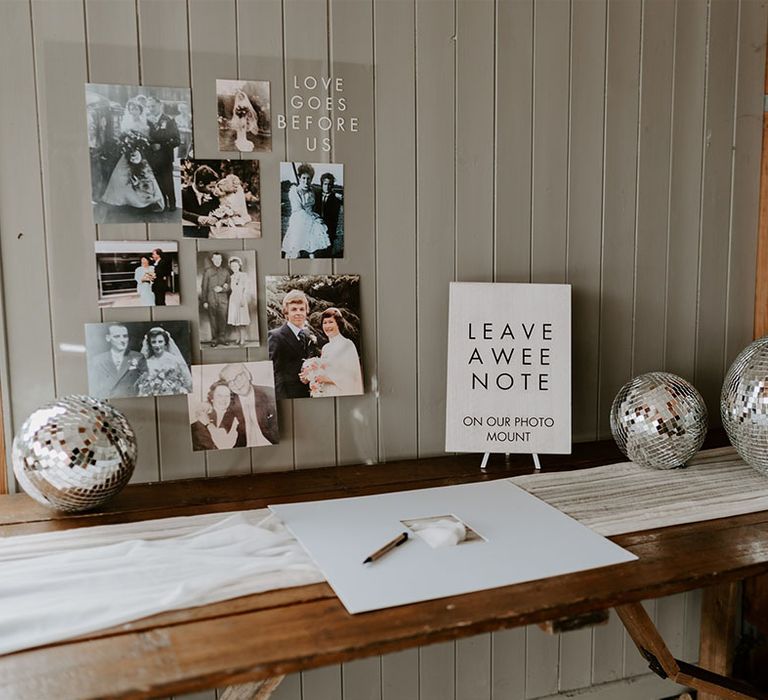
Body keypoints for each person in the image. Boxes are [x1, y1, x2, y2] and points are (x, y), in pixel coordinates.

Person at [100, 99, 164, 212]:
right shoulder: (126, 123)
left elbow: (147, 141)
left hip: (140, 153)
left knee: (143, 175)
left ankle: (145, 201)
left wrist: (139, 146)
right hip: (127, 152)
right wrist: (126, 145)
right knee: (121, 175)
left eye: (136, 109)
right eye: (131, 109)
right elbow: (121, 137)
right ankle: (124, 200)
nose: (133, 111)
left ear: (140, 110)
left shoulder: (145, 124)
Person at [268, 289, 323, 399]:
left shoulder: (308, 335)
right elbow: (273, 373)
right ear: (286, 313)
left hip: (310, 394)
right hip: (288, 396)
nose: (298, 313)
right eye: (294, 309)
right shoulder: (276, 336)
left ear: (306, 312)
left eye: (302, 309)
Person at [301, 308, 363, 398]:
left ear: (338, 324)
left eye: (330, 322)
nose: (327, 326)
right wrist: (309, 374)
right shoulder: (326, 348)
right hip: (326, 392)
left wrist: (327, 379)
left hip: (341, 392)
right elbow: (324, 370)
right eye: (324, 323)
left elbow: (352, 375)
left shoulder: (347, 344)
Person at [219, 363, 278, 446]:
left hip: (270, 443)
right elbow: (223, 428)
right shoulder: (230, 401)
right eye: (230, 382)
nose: (236, 384)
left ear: (247, 374)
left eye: (238, 377)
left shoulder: (269, 393)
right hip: (244, 446)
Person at [281, 163, 330, 259]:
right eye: (303, 178)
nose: (306, 181)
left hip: (311, 219)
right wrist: (314, 219)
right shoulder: (294, 191)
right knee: (295, 248)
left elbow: (313, 205)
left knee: (312, 249)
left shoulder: (311, 191)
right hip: (299, 220)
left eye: (308, 179)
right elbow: (298, 209)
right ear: (299, 178)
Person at [88, 324, 147, 399]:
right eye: (117, 336)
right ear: (108, 338)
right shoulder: (97, 360)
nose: (122, 340)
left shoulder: (138, 357)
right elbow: (93, 388)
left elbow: (145, 384)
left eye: (125, 336)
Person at [145, 95, 180, 212]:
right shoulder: (146, 121)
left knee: (168, 181)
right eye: (149, 107)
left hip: (165, 157)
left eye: (153, 106)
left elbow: (177, 140)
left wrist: (162, 145)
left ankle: (172, 204)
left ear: (159, 105)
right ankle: (162, 203)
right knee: (157, 181)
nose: (151, 109)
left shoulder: (169, 120)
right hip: (152, 157)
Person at [136, 326, 193, 397]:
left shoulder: (175, 360)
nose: (157, 345)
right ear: (150, 344)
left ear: (165, 342)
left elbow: (187, 382)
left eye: (160, 341)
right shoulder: (148, 362)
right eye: (153, 342)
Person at [190, 381, 240, 451]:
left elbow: (225, 446)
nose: (223, 399)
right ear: (212, 398)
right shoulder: (200, 416)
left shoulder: (236, 419)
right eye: (219, 395)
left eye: (227, 396)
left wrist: (208, 424)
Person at [201, 252, 231, 347]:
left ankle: (222, 339)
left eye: (219, 259)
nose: (217, 261)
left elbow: (230, 286)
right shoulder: (208, 272)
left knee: (223, 319)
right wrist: (205, 301)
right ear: (213, 260)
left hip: (223, 300)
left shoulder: (226, 272)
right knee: (213, 320)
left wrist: (222, 289)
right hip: (211, 299)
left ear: (221, 260)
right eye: (215, 259)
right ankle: (214, 339)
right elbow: (204, 287)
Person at [182, 165, 221, 237]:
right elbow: (181, 212)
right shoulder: (184, 193)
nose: (214, 190)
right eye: (211, 187)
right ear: (200, 183)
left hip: (205, 235)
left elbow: (219, 208)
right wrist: (198, 218)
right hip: (187, 234)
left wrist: (215, 217)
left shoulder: (213, 196)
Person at [313, 172, 343, 255]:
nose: (327, 186)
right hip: (316, 227)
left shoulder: (336, 199)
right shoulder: (316, 195)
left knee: (327, 251)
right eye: (325, 184)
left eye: (329, 184)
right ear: (322, 184)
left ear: (332, 185)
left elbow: (334, 218)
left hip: (329, 229)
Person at [226, 257, 250, 346]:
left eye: (235, 266)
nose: (234, 268)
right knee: (235, 321)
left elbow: (246, 288)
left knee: (242, 321)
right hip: (233, 299)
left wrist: (243, 299)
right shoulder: (231, 277)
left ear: (239, 266)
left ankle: (243, 339)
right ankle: (238, 338)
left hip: (241, 298)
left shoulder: (244, 275)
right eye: (232, 266)